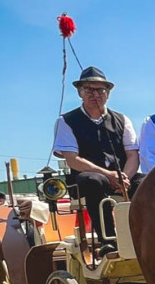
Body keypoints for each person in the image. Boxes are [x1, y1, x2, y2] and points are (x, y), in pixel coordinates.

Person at [53, 66, 144, 253]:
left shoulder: (122, 119)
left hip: (121, 175)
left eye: (100, 90)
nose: (96, 94)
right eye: (89, 90)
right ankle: (108, 240)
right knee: (94, 182)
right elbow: (73, 159)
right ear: (80, 92)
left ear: (108, 93)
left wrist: (124, 177)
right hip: (89, 177)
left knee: (146, 182)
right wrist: (108, 174)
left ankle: (144, 234)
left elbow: (133, 154)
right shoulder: (66, 121)